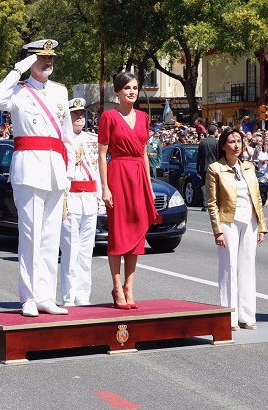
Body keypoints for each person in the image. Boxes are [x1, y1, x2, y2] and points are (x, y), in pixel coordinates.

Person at [0, 39, 74, 317]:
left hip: (54, 169)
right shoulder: (17, 91)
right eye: (42, 58)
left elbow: (67, 136)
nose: (48, 62)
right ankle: (28, 297)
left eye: (51, 58)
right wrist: (18, 70)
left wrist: (69, 172)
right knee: (30, 237)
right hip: (28, 169)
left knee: (51, 238)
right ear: (30, 61)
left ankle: (46, 296)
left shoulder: (61, 92)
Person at [98, 71, 159, 310]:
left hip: (138, 178)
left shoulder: (144, 117)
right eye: (127, 88)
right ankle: (116, 287)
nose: (132, 92)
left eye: (134, 87)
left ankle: (129, 287)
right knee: (118, 234)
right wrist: (104, 187)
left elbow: (143, 154)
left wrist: (149, 185)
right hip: (117, 175)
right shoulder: (109, 117)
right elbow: (102, 155)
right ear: (117, 92)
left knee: (136, 235)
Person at [207, 128, 267, 332]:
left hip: (249, 220)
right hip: (228, 221)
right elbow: (212, 203)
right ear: (223, 145)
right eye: (231, 142)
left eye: (239, 141)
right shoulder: (215, 168)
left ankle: (247, 316)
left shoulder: (249, 167)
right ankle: (229, 317)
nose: (236, 145)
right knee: (229, 268)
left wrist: (262, 226)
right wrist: (217, 230)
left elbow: (257, 198)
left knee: (247, 268)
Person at [59, 98, 101, 306]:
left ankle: (83, 296)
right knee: (70, 251)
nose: (79, 118)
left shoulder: (93, 139)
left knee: (86, 251)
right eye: (75, 114)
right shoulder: (62, 142)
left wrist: (100, 196)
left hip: (89, 200)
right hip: (71, 199)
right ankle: (68, 297)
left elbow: (98, 171)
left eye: (81, 114)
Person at [197, 124, 219, 211]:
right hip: (215, 167)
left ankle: (206, 204)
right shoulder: (217, 142)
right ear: (214, 131)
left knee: (204, 186)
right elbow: (219, 156)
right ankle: (214, 203)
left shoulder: (203, 142)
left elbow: (199, 157)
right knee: (215, 185)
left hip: (205, 167)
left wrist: (197, 168)